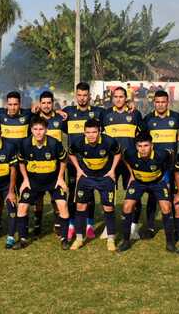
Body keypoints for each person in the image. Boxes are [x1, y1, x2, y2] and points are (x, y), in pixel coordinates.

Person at [14, 116, 69, 250]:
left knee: (62, 205)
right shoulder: (25, 144)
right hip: (33, 181)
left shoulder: (54, 143)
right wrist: (25, 180)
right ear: (31, 130)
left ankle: (64, 238)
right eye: (35, 129)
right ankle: (22, 238)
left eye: (41, 129)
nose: (38, 132)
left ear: (46, 130)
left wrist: (60, 178)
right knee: (22, 206)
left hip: (53, 181)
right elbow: (21, 162)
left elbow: (63, 160)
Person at [142, 89, 179, 239]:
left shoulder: (176, 117)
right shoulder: (148, 119)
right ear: (154, 103)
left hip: (171, 165)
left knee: (171, 195)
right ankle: (150, 227)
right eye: (158, 102)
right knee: (152, 196)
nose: (161, 105)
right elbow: (142, 139)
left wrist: (177, 140)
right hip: (154, 165)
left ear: (167, 102)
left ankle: (174, 226)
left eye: (163, 102)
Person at [118, 132, 175, 253]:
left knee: (166, 208)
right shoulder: (130, 153)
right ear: (136, 146)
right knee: (127, 206)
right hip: (138, 182)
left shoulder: (162, 154)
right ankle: (126, 241)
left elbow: (170, 160)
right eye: (139, 146)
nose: (142, 149)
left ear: (152, 145)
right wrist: (132, 174)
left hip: (157, 183)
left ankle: (170, 243)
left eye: (146, 145)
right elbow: (124, 158)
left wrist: (166, 178)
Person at [69, 119, 121, 251]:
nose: (91, 135)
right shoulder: (78, 142)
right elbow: (71, 153)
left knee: (108, 208)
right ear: (84, 132)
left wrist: (112, 170)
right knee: (81, 207)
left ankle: (110, 239)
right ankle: (79, 239)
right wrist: (78, 169)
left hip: (105, 178)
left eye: (94, 132)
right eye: (88, 132)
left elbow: (118, 153)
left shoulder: (109, 141)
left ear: (99, 131)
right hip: (86, 177)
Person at [63, 82, 105, 240]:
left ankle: (89, 225)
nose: (82, 98)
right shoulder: (67, 113)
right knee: (73, 192)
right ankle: (72, 225)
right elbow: (48, 118)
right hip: (74, 163)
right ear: (76, 96)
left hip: (92, 162)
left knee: (90, 194)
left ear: (90, 96)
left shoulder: (99, 113)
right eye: (79, 95)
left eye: (85, 95)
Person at [102, 86, 145, 240]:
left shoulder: (135, 113)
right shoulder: (105, 114)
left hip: (130, 162)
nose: (118, 99)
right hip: (111, 162)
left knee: (135, 194)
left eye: (121, 96)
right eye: (116, 96)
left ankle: (134, 227)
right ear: (112, 98)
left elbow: (142, 136)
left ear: (126, 98)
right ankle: (108, 227)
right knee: (108, 194)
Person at [0, 91, 33, 248]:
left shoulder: (27, 115)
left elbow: (42, 111)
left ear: (20, 104)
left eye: (15, 104)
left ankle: (25, 225)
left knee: (24, 193)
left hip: (22, 162)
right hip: (5, 163)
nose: (12, 107)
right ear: (5, 104)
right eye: (10, 104)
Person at [38, 91, 68, 236]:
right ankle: (38, 224)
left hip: (56, 165)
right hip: (37, 165)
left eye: (49, 103)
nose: (46, 105)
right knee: (38, 196)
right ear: (39, 104)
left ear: (53, 103)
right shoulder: (33, 118)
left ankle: (58, 222)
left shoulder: (60, 119)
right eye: (43, 103)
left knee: (57, 196)